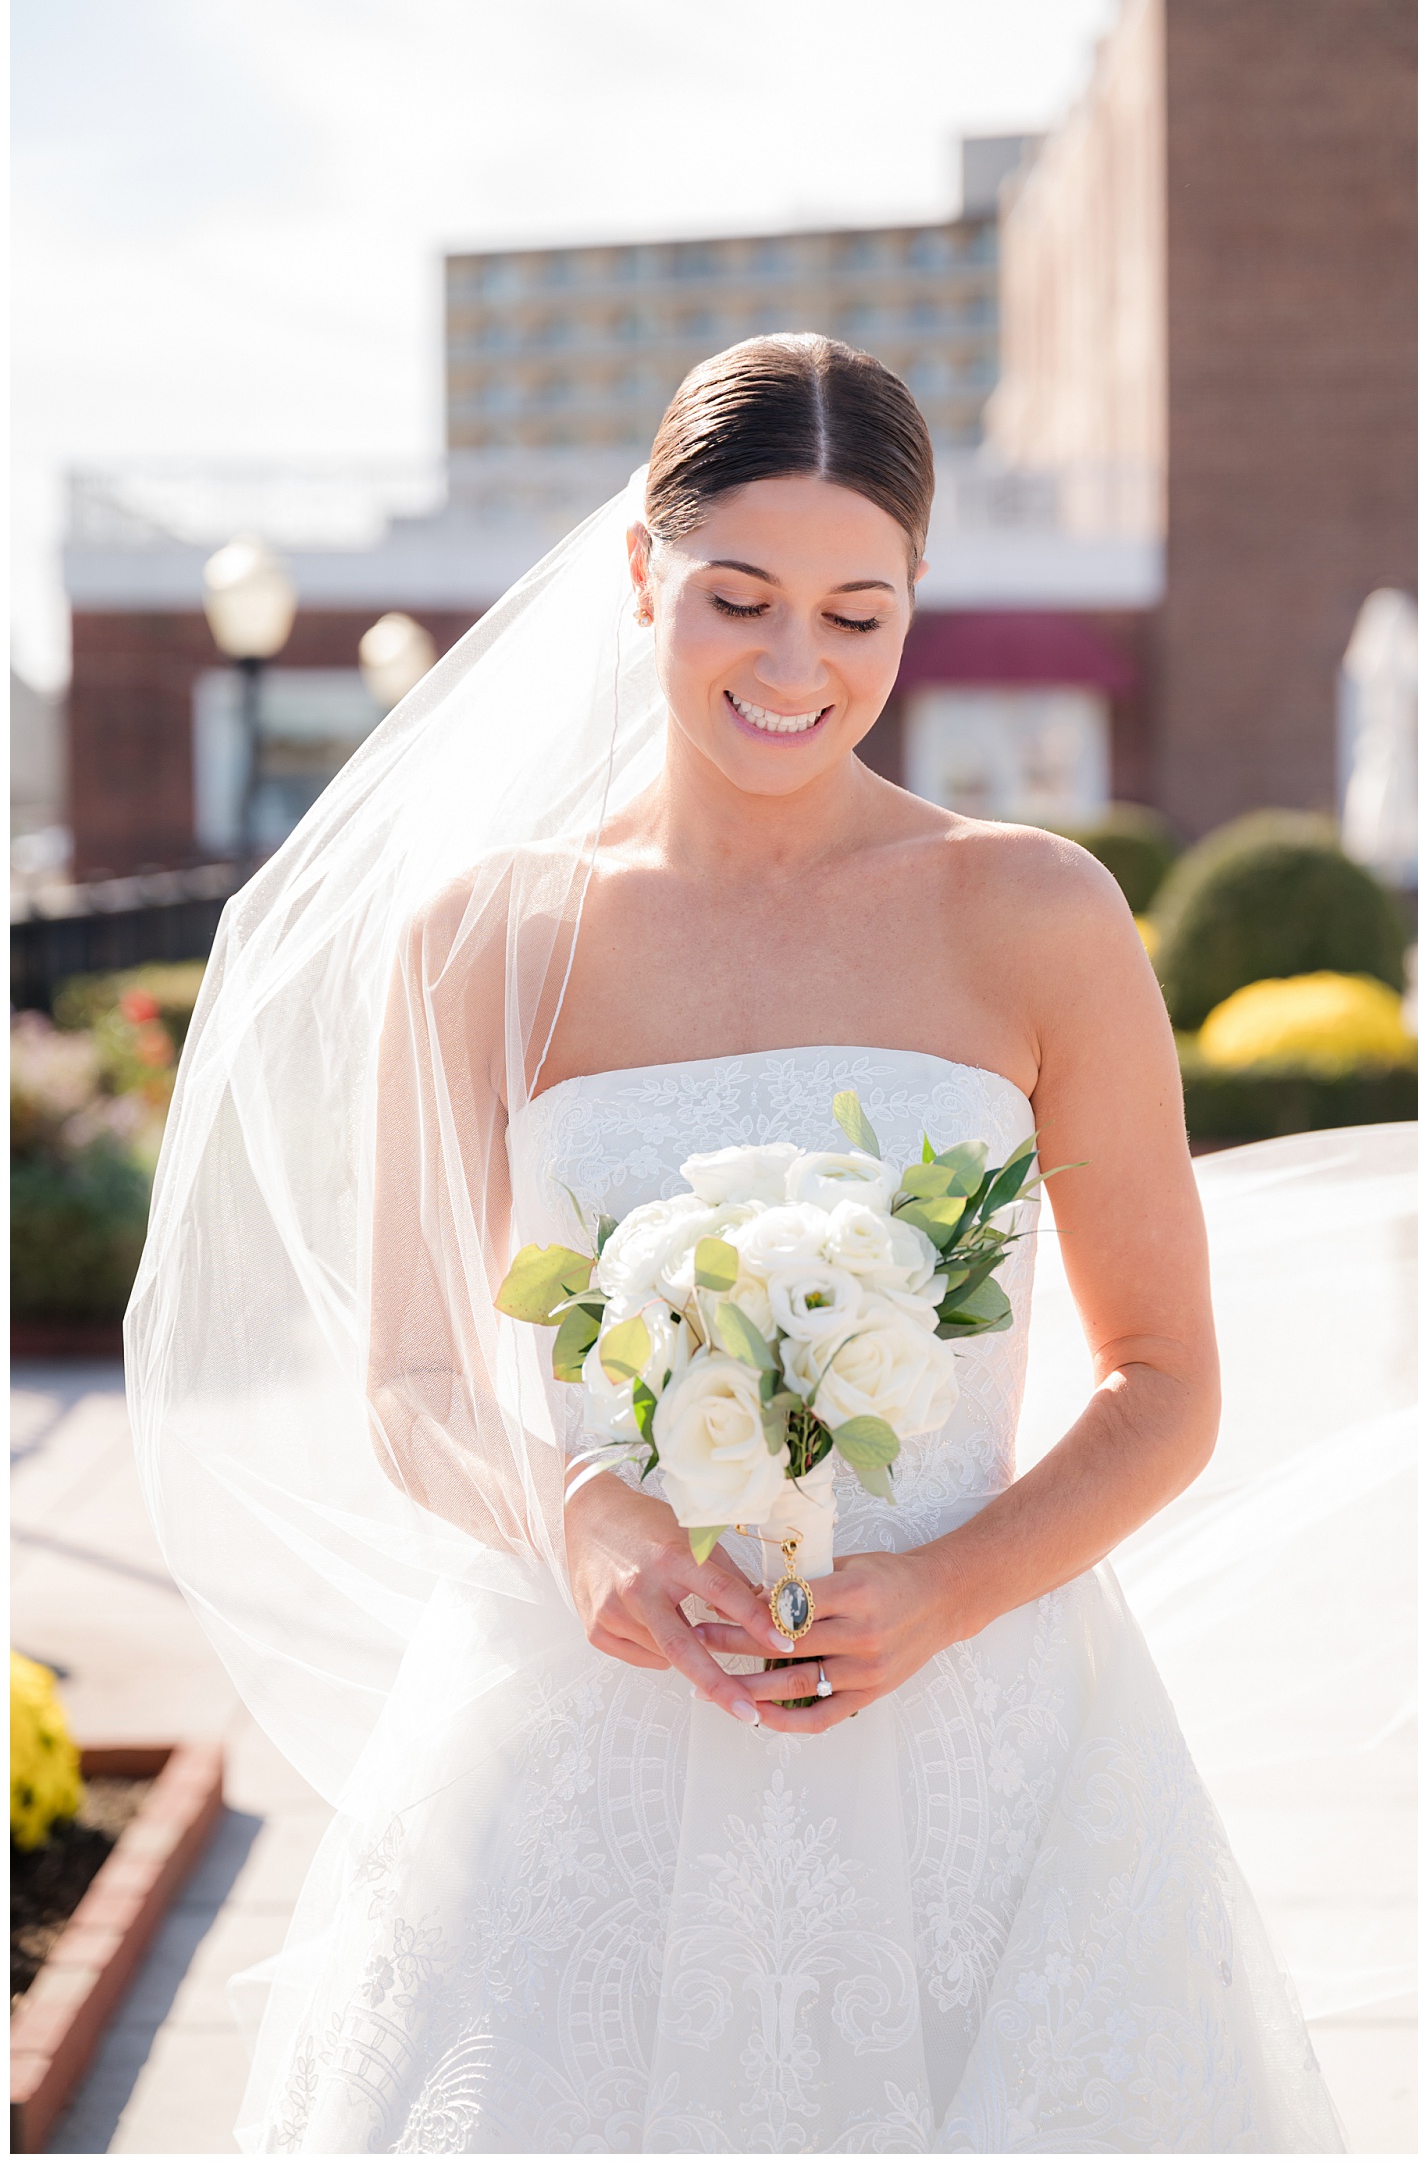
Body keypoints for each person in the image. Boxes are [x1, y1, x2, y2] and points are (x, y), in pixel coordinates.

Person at [133, 338, 1354, 2151]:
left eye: (860, 613)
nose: (798, 668)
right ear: (642, 571)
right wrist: (575, 1514)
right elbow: (405, 1379)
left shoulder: (1036, 914)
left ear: (916, 606)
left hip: (979, 1740)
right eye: (741, 599)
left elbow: (1164, 1380)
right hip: (583, 1720)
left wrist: (947, 1589)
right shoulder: (486, 937)